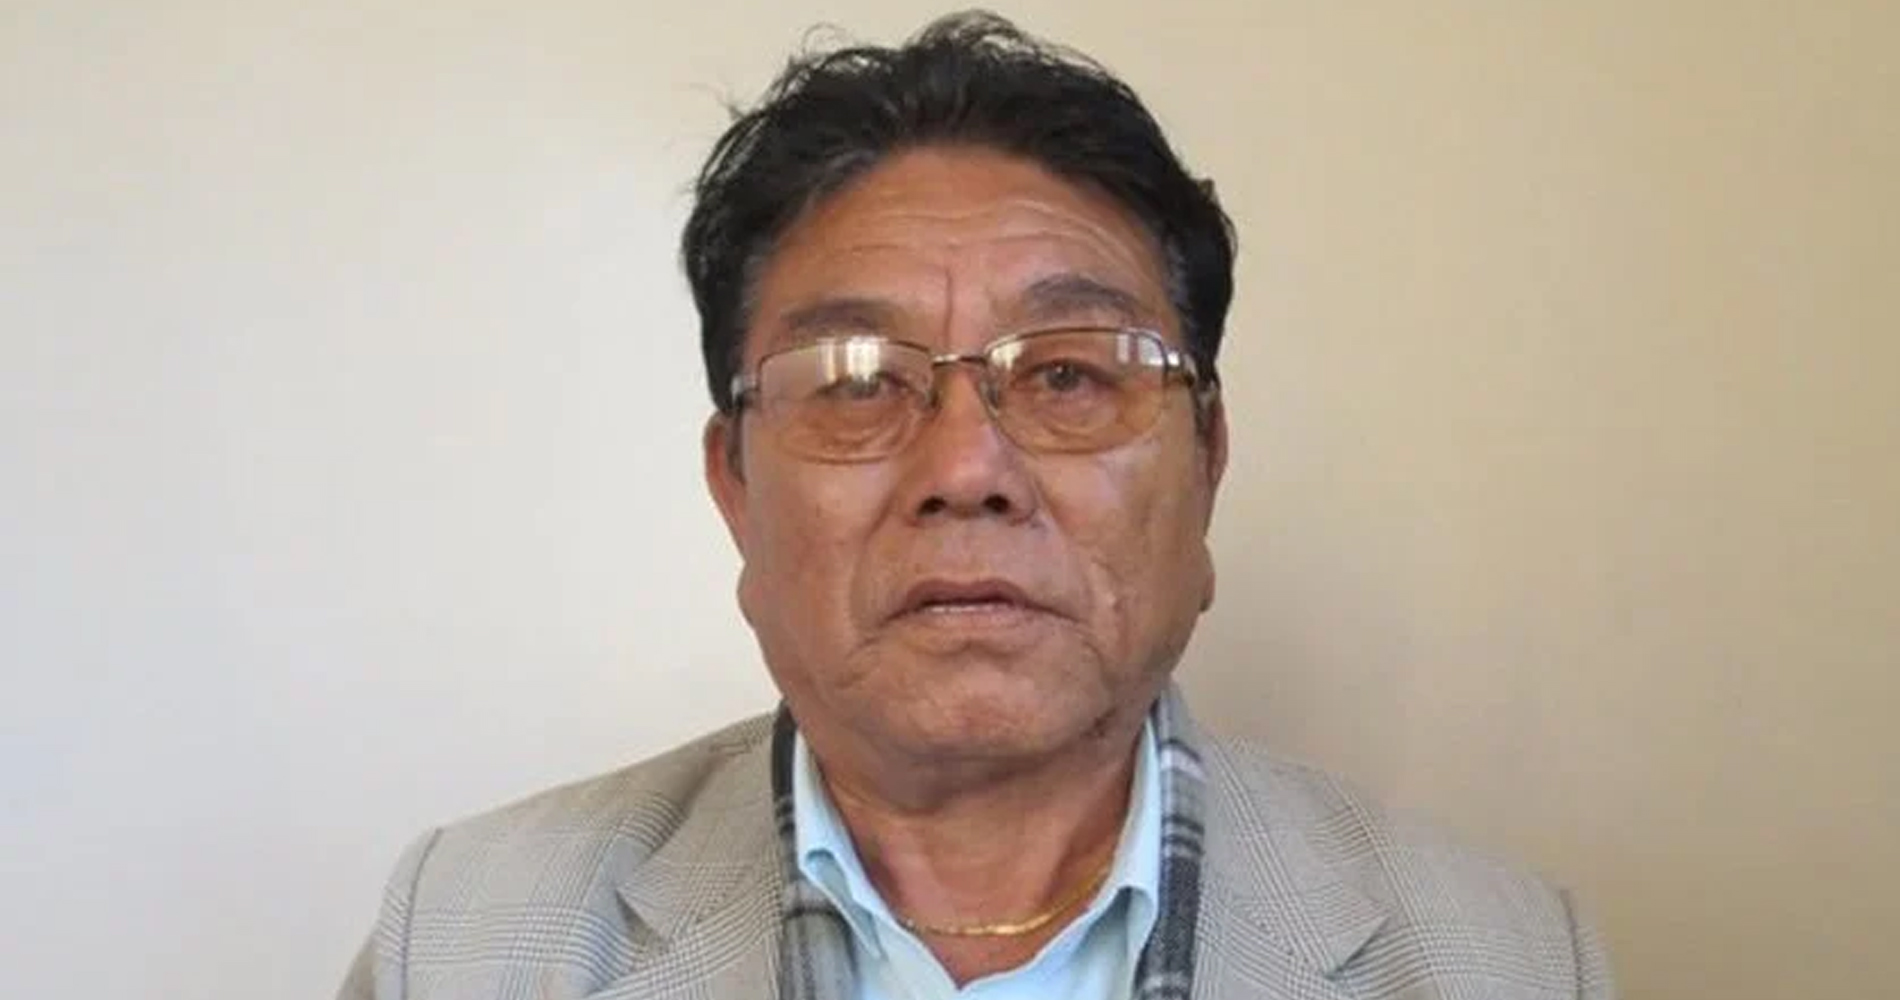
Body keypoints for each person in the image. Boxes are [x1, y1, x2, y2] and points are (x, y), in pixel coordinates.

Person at [338, 12, 1614, 1000]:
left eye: (1067, 375)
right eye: (857, 380)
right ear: (735, 488)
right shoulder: (460, 940)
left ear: (1206, 463)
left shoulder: (1495, 959)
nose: (966, 467)